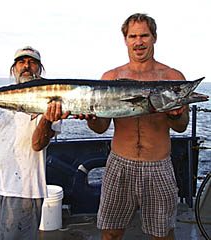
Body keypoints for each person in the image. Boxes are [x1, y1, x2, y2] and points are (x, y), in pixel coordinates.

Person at [76, 13, 189, 240]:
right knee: (111, 233)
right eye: (133, 36)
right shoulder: (110, 78)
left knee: (163, 235)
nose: (139, 42)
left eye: (144, 35)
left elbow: (182, 127)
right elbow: (100, 127)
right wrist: (90, 118)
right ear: (125, 39)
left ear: (154, 38)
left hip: (158, 166)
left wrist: (175, 116)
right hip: (120, 165)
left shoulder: (173, 78)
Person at [0, 46, 69, 239]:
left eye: (32, 62)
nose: (27, 66)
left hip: (25, 193)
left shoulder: (52, 102)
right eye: (21, 62)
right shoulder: (1, 102)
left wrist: (47, 119)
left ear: (39, 70)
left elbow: (37, 144)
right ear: (13, 69)